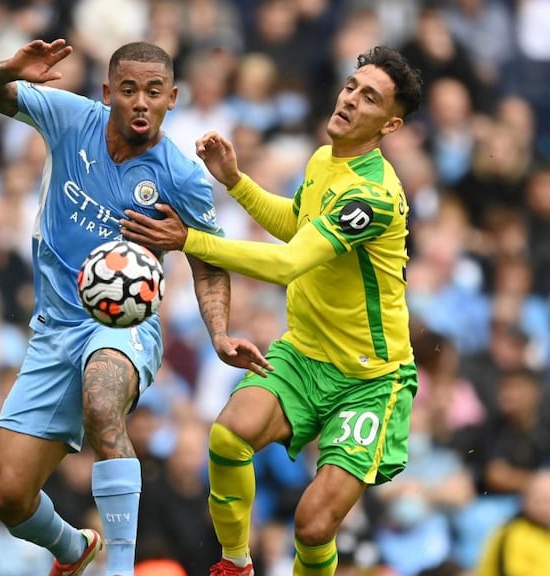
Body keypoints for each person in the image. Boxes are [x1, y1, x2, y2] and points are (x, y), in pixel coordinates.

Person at [0, 39, 268, 576]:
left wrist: (218, 332)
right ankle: (76, 551)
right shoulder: (71, 118)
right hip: (54, 329)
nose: (140, 102)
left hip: (126, 326)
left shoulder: (183, 176)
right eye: (128, 90)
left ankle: (120, 567)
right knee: (8, 495)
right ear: (108, 93)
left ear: (172, 98)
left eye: (153, 92)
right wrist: (9, 69)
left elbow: (208, 261)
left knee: (103, 400)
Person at [122, 45, 423, 576]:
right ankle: (237, 563)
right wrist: (237, 183)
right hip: (305, 356)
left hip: (370, 380)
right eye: (351, 86)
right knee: (228, 436)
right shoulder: (324, 160)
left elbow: (289, 264)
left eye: (369, 97)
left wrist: (190, 240)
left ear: (391, 124)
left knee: (311, 525)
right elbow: (296, 225)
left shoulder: (372, 197)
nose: (350, 99)